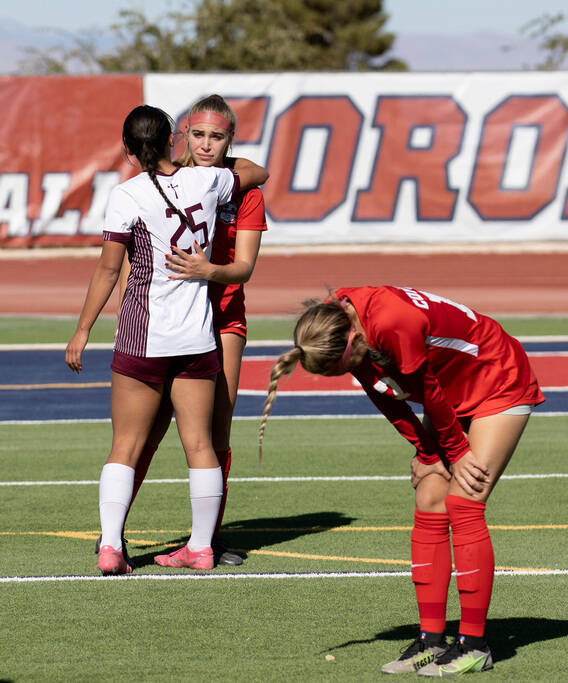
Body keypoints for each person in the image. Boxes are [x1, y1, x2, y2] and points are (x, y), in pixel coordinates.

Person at [258, 286, 544, 676]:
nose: (351, 370)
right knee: (429, 496)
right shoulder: (341, 323)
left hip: (496, 377)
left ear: (354, 339)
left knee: (465, 499)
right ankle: (431, 639)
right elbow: (386, 396)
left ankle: (475, 644)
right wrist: (425, 451)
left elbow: (422, 388)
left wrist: (455, 453)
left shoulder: (392, 321)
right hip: (448, 389)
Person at [65, 104, 268, 575]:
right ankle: (199, 546)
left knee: (129, 444)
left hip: (149, 333)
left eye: (215, 136)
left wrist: (82, 329)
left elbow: (110, 267)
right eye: (196, 134)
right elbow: (259, 171)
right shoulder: (206, 182)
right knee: (194, 443)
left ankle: (113, 544)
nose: (205, 144)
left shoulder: (127, 194)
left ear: (127, 149)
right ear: (177, 139)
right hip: (197, 332)